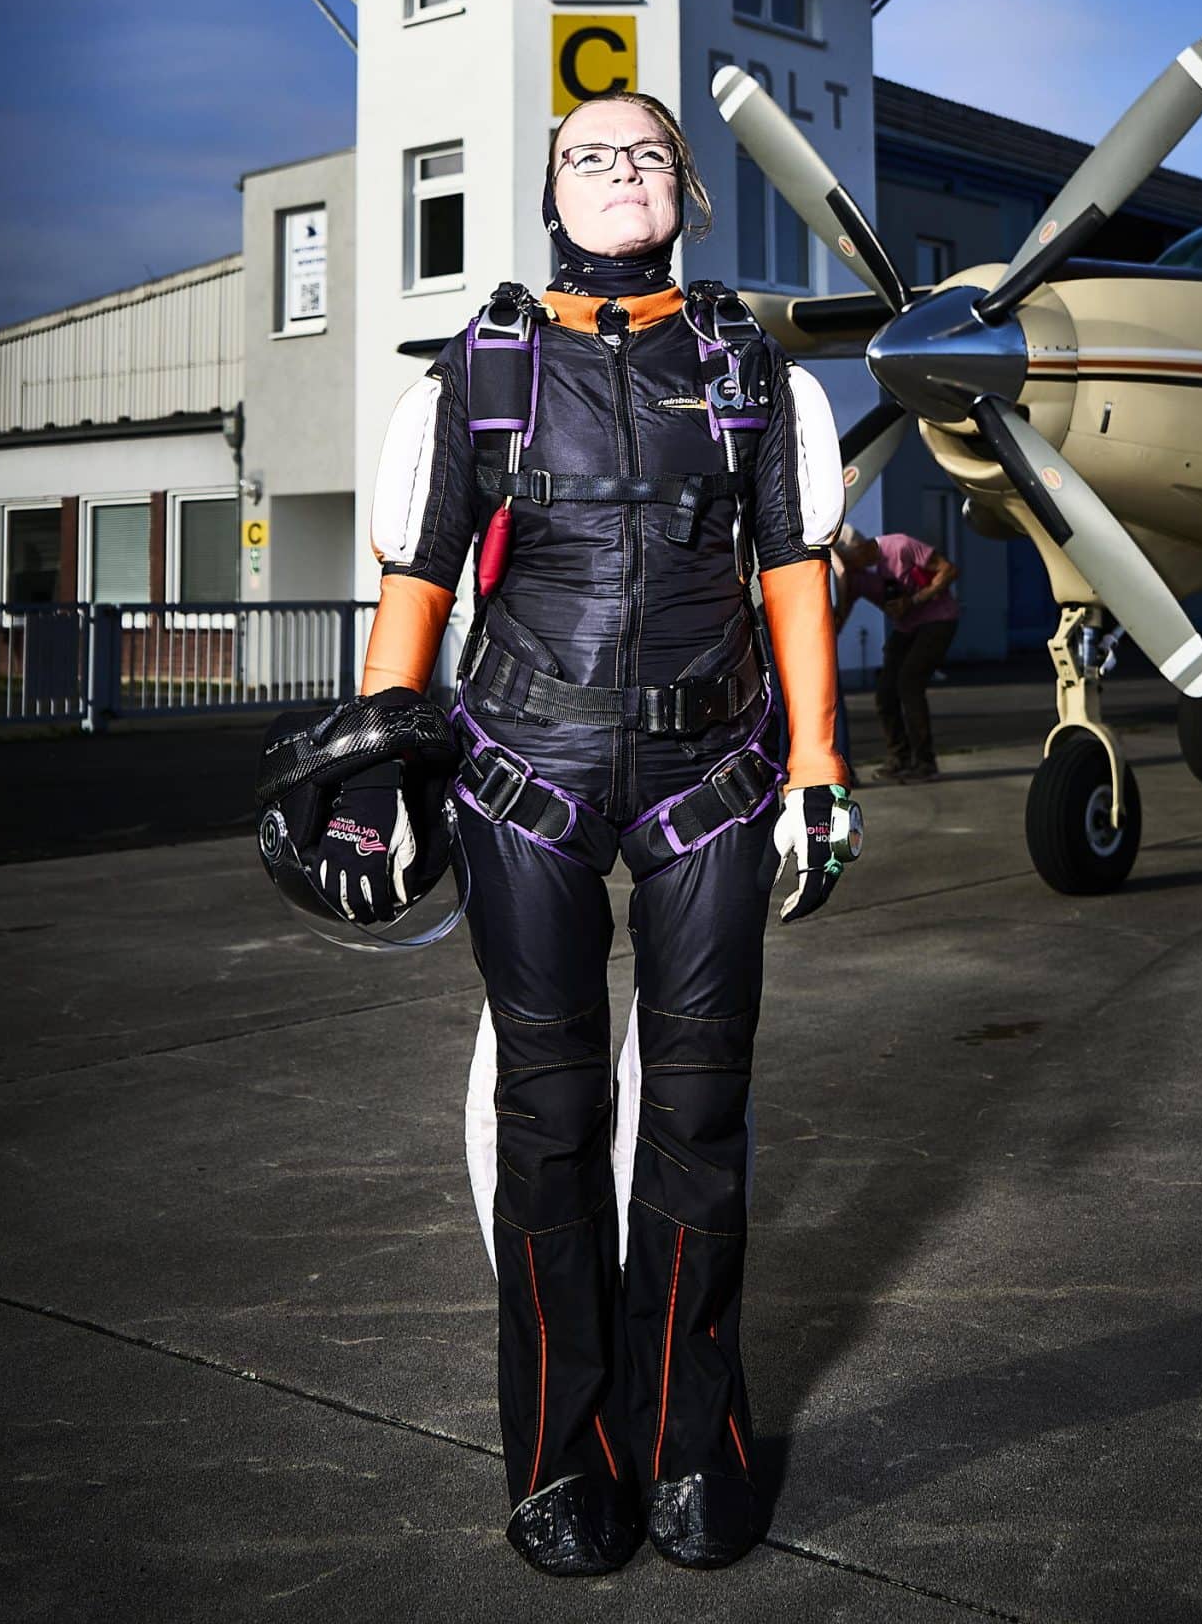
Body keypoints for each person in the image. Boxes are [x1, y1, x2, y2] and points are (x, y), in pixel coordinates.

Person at [355, 93, 856, 1577]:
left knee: (699, 1119)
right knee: (551, 1119)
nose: (619, 173)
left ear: (686, 192)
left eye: (647, 155)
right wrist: (379, 767)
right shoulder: (479, 370)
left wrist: (817, 767)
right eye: (590, 155)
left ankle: (693, 1449)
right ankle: (559, 1460)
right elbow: (419, 580)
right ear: (551, 193)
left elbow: (793, 569)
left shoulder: (752, 371)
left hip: (715, 776)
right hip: (526, 772)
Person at [835, 524, 959, 783]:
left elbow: (948, 570)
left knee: (909, 683)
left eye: (845, 559)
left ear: (860, 547)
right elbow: (841, 614)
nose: (844, 567)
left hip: (938, 619)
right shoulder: (853, 577)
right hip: (906, 626)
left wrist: (913, 601)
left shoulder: (900, 546)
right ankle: (899, 758)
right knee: (885, 692)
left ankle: (925, 763)